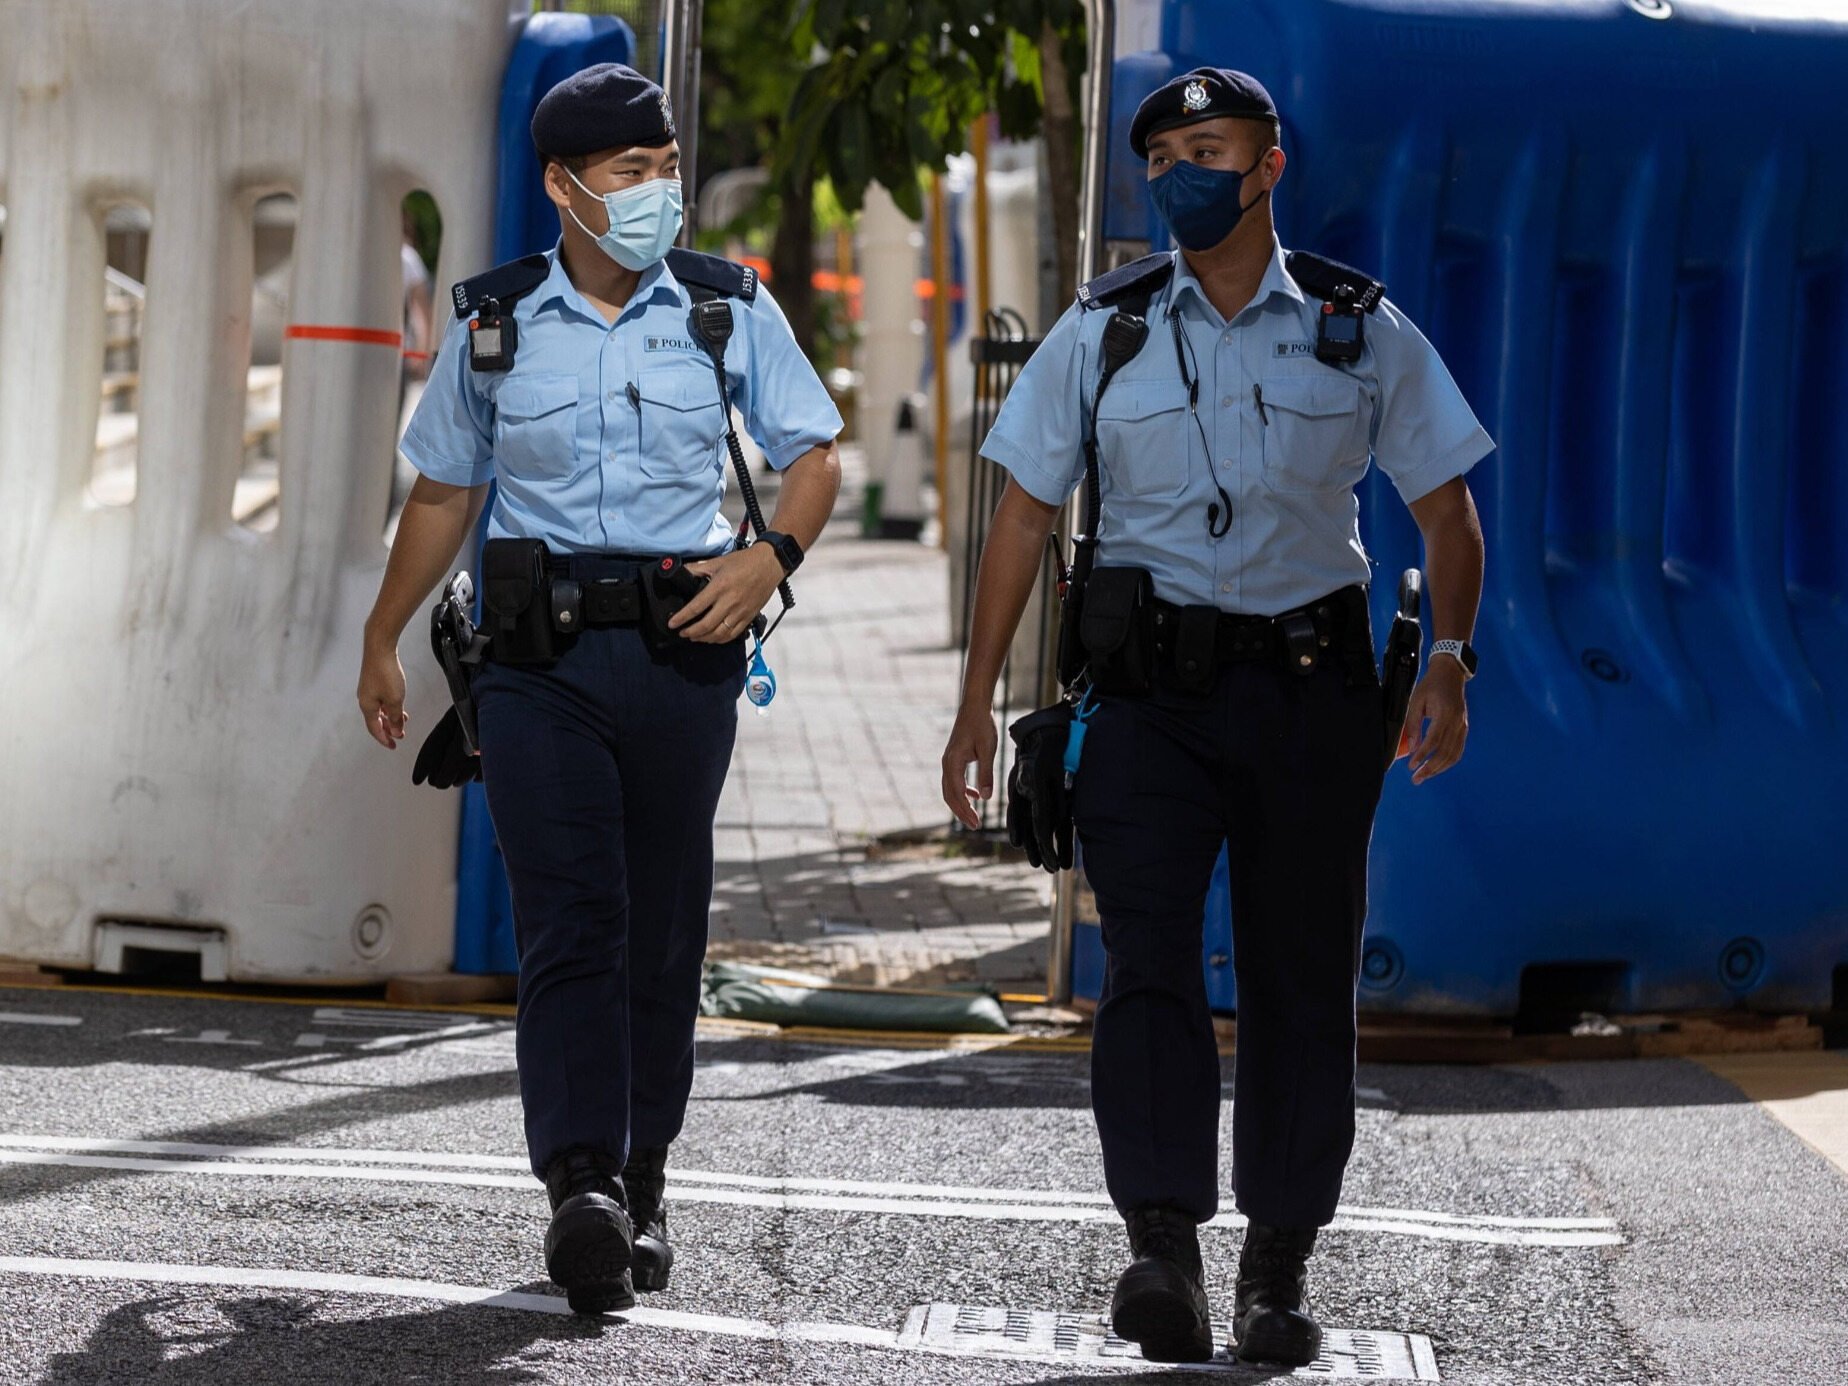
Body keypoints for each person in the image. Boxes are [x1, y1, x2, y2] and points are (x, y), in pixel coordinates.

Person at [941, 68, 1490, 1367]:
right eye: (1169, 151)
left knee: (1301, 983)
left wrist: (1452, 658)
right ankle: (1163, 1250)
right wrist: (974, 698)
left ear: (1268, 165)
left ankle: (1277, 1270)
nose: (1187, 169)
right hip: (1147, 704)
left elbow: (1447, 510)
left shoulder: (1361, 327)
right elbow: (1022, 511)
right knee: (1146, 970)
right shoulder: (1107, 328)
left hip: (1313, 701)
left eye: (1212, 146)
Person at [355, 63, 842, 1313]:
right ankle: (582, 1186)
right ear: (564, 188)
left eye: (666, 169)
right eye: (631, 174)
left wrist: (768, 558)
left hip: (684, 652)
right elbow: (446, 492)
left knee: (664, 925)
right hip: (536, 664)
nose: (658, 194)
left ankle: (645, 1173)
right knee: (573, 917)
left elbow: (811, 455)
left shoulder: (729, 308)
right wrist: (383, 631)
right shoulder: (495, 323)